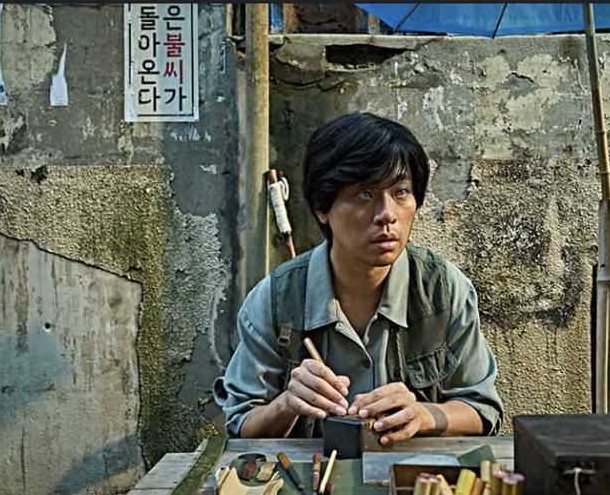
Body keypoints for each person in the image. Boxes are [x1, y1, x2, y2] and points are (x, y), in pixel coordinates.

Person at [214, 112, 503, 444]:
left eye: (401, 192)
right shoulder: (275, 299)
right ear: (323, 207)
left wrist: (423, 415)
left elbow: (482, 410)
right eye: (364, 194)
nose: (387, 215)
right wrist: (287, 405)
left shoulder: (443, 290)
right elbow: (240, 426)